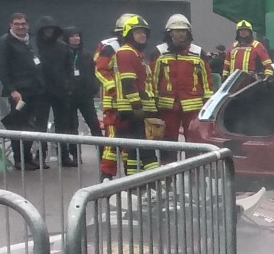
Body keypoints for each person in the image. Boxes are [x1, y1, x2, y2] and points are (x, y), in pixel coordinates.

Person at [100, 13, 153, 178]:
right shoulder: (121, 51)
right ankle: (108, 176)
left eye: (144, 32)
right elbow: (126, 80)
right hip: (123, 106)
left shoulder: (137, 53)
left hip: (129, 105)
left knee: (129, 146)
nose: (142, 35)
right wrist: (114, 90)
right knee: (117, 143)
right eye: (138, 32)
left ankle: (132, 178)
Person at [150, 13, 213, 153]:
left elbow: (207, 80)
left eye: (183, 31)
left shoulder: (197, 52)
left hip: (193, 107)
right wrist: (152, 104)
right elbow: (152, 79)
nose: (181, 35)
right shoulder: (159, 52)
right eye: (177, 31)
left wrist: (208, 104)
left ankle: (193, 171)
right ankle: (168, 171)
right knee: (167, 143)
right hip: (167, 107)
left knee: (193, 142)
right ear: (170, 33)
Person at [0, 12, 47, 169]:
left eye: (23, 23)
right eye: (17, 24)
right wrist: (12, 90)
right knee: (19, 126)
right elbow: (2, 68)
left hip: (34, 90)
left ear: (28, 25)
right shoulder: (5, 42)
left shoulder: (30, 41)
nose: (20, 26)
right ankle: (19, 160)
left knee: (30, 126)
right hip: (19, 92)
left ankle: (28, 157)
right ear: (11, 25)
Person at [33, 17, 78, 167]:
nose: (49, 31)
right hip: (41, 91)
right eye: (46, 29)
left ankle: (64, 155)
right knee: (41, 125)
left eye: (51, 29)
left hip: (60, 91)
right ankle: (40, 156)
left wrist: (69, 86)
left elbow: (69, 68)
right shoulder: (34, 46)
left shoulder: (62, 47)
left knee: (62, 125)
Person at [65, 27, 102, 138]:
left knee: (94, 124)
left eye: (77, 35)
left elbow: (94, 72)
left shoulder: (86, 55)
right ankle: (75, 154)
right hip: (69, 96)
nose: (76, 38)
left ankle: (102, 152)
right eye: (72, 36)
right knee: (72, 126)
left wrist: (93, 88)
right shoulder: (63, 54)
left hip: (85, 96)